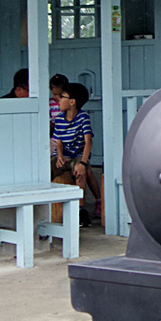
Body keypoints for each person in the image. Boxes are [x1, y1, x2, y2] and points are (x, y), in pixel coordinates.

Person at [52, 81, 101, 223]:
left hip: (78, 156)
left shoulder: (83, 117)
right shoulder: (59, 119)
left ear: (72, 102)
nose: (58, 99)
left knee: (81, 172)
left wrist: (83, 163)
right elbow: (59, 142)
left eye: (62, 97)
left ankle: (81, 210)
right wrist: (59, 155)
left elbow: (88, 142)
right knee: (48, 168)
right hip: (63, 156)